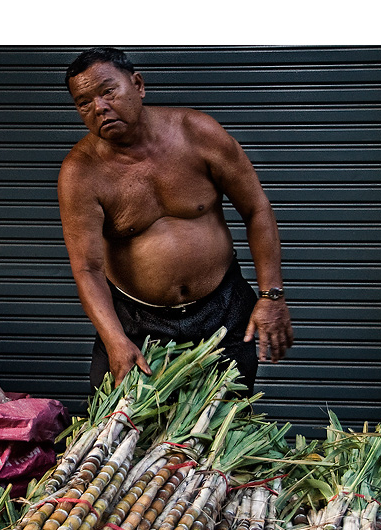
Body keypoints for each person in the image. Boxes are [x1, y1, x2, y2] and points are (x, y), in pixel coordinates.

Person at [58, 47, 293, 395]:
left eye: (108, 91)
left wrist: (271, 295)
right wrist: (114, 340)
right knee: (121, 431)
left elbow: (256, 208)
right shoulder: (80, 173)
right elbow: (87, 269)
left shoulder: (197, 132)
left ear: (138, 85)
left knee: (223, 428)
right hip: (137, 321)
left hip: (223, 309)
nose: (99, 108)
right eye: (84, 103)